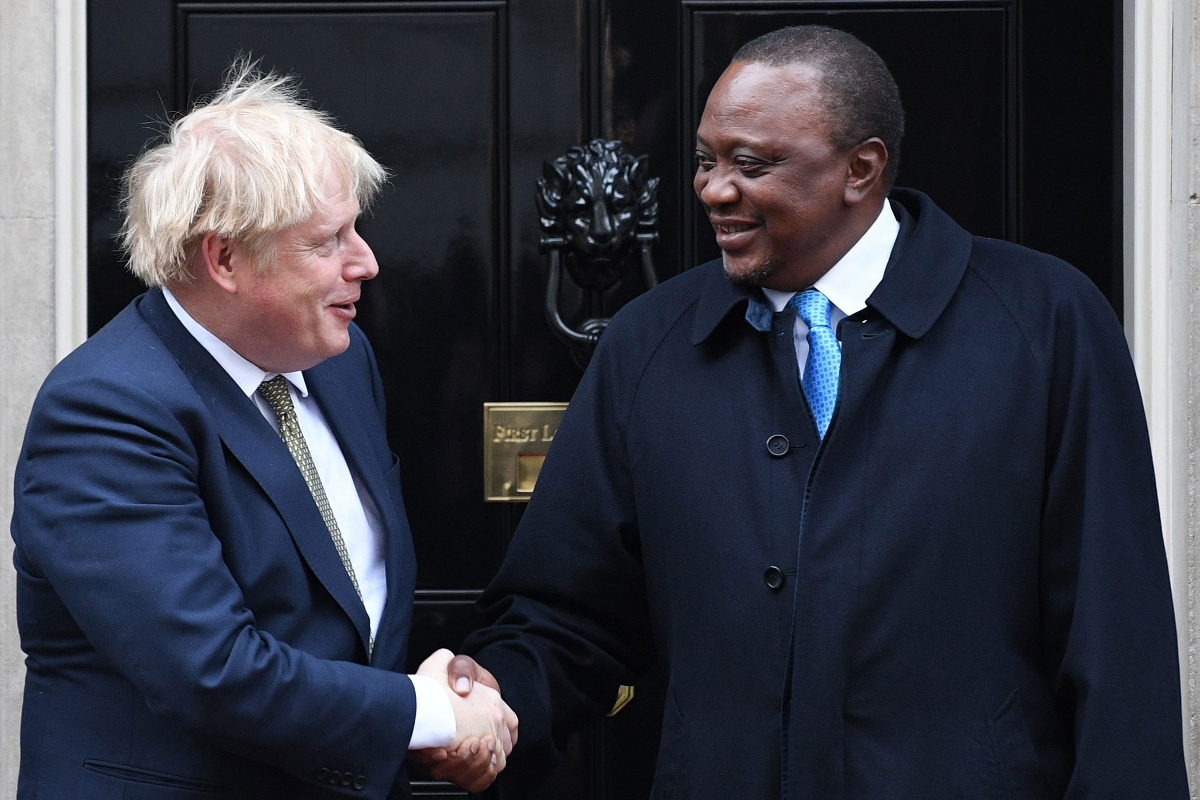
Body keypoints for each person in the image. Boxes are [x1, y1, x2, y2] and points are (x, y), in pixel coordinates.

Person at [440, 25, 1190, 798]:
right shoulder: (647, 344)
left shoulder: (1044, 324)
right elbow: (567, 612)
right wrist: (487, 704)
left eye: (751, 164)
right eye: (705, 159)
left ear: (861, 170)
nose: (713, 188)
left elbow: (1115, 638)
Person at [10, 65, 515, 799]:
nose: (366, 262)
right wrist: (426, 712)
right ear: (223, 258)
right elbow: (211, 672)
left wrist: (429, 706)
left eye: (357, 230)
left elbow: (339, 612)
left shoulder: (341, 363)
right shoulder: (105, 409)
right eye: (328, 241)